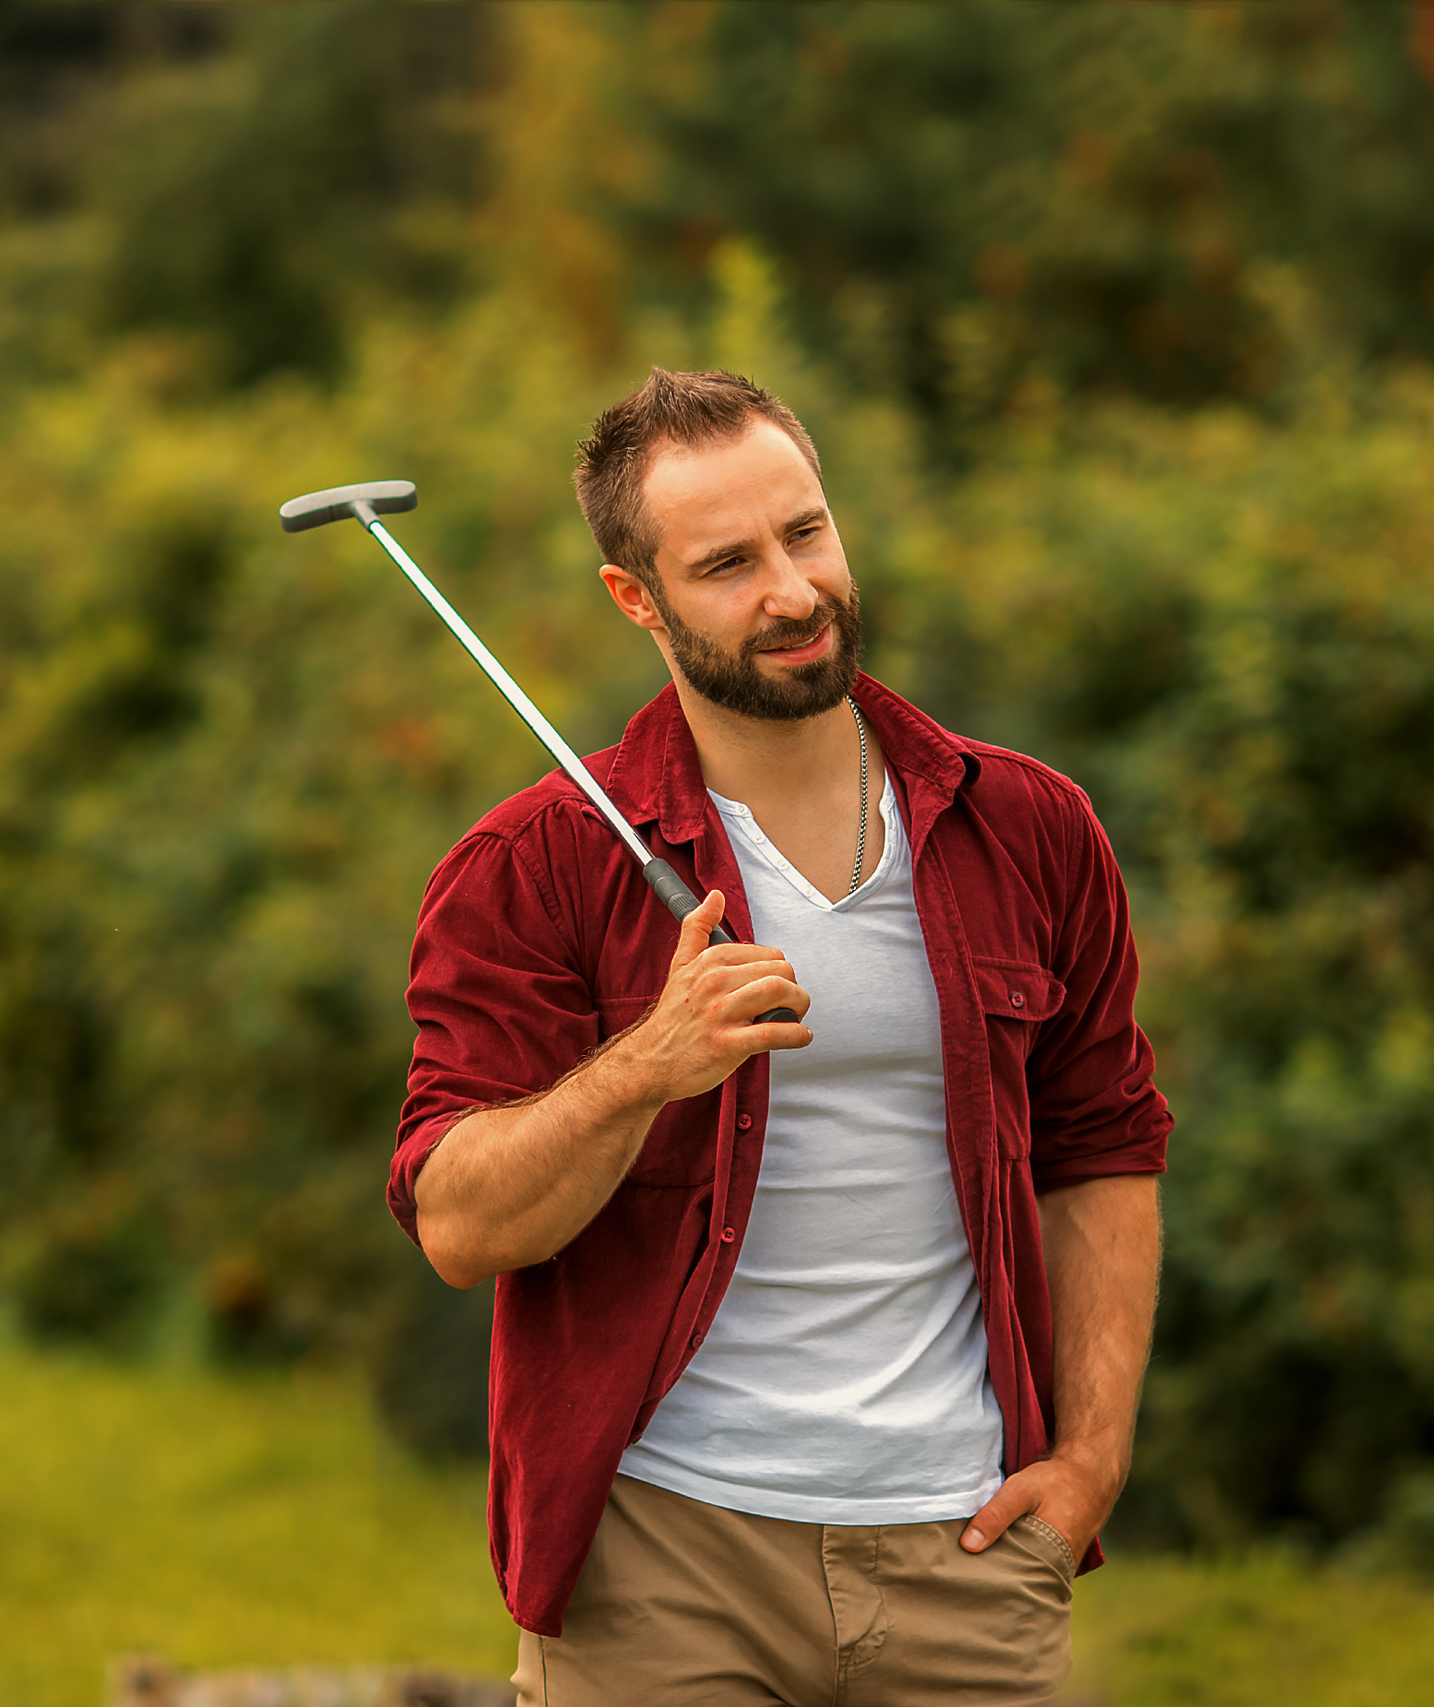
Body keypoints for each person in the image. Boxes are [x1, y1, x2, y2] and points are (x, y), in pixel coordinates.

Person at [390, 368, 1170, 1704]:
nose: (796, 593)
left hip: (968, 1549)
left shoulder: (1029, 829)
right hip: (663, 1559)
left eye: (807, 533)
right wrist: (648, 1061)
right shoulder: (534, 868)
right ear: (634, 598)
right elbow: (460, 1227)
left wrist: (1089, 1463)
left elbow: (1102, 1148)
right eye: (728, 564)